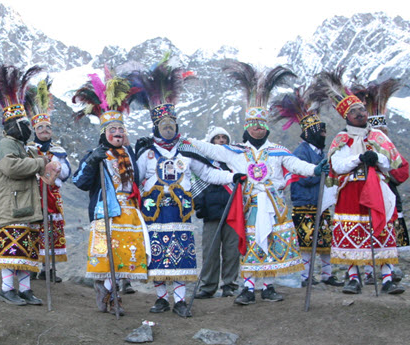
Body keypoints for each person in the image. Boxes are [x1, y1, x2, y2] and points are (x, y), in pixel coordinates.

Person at [188, 61, 328, 305]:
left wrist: (315, 169)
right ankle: (249, 288)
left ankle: (269, 287)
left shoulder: (278, 151)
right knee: (252, 242)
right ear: (247, 127)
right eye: (252, 125)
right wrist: (184, 141)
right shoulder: (237, 151)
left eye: (260, 125)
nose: (256, 128)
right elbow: (210, 149)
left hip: (274, 205)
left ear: (265, 127)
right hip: (250, 205)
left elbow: (296, 165)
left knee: (272, 242)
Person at [129, 54, 236, 317]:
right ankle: (161, 299)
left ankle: (179, 301)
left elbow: (210, 174)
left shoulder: (186, 152)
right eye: (163, 125)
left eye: (171, 124)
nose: (168, 128)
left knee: (181, 255)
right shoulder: (145, 152)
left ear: (176, 124)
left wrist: (233, 177)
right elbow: (133, 179)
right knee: (156, 255)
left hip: (180, 212)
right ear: (156, 126)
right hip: (154, 211)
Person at [310, 68, 404, 294]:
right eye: (355, 111)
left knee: (381, 230)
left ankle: (388, 277)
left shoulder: (378, 137)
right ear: (347, 117)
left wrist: (377, 158)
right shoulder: (341, 139)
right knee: (352, 233)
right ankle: (353, 276)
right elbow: (338, 166)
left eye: (362, 109)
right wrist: (359, 158)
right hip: (350, 192)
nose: (361, 113)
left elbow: (393, 164)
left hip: (377, 190)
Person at [73, 72, 149, 316]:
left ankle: (109, 293)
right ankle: (109, 294)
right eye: (112, 129)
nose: (117, 132)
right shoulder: (96, 154)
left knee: (125, 258)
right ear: (104, 132)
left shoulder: (129, 155)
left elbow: (136, 182)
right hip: (104, 211)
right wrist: (92, 161)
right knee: (107, 258)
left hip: (129, 212)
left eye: (120, 129)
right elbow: (79, 182)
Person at [0, 64, 50, 306]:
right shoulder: (6, 145)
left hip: (24, 206)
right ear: (14, 126)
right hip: (11, 206)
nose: (29, 128)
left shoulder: (21, 146)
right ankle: (7, 289)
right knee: (12, 249)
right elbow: (12, 169)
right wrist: (39, 163)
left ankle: (25, 289)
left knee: (26, 248)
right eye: (25, 124)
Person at [271, 87, 343, 287]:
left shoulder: (321, 152)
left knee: (325, 239)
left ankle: (327, 274)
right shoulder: (300, 152)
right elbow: (300, 177)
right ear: (310, 132)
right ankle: (305, 276)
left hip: (322, 202)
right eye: (320, 131)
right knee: (306, 241)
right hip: (305, 202)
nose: (324, 134)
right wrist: (320, 175)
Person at [350, 78, 408, 291]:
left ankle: (388, 272)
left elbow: (402, 168)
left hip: (388, 195)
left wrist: (387, 174)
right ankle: (366, 272)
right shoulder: (354, 142)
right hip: (363, 194)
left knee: (385, 232)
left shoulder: (389, 147)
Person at [25, 78, 71, 281]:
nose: (44, 131)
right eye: (40, 128)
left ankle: (50, 269)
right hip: (34, 194)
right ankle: (34, 266)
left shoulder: (59, 151)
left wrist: (56, 167)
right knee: (34, 229)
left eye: (47, 128)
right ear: (34, 131)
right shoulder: (28, 149)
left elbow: (67, 173)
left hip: (52, 194)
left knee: (51, 230)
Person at [193, 127, 240, 299]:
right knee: (210, 251)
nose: (221, 140)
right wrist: (200, 206)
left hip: (233, 212)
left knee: (232, 250)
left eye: (224, 138)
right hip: (210, 213)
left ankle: (230, 285)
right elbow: (196, 185)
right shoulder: (203, 162)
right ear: (211, 142)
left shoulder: (235, 161)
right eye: (217, 138)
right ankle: (208, 286)